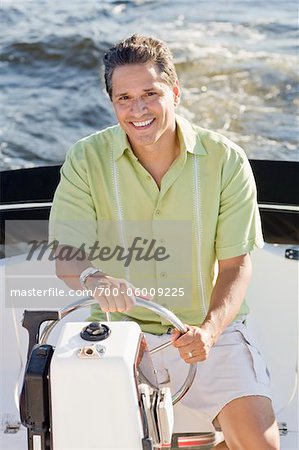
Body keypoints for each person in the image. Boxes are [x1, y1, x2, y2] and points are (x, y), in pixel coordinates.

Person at [49, 34, 280, 449]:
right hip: (118, 333)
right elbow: (67, 256)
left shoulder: (226, 160)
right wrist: (96, 280)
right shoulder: (86, 159)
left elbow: (235, 266)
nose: (138, 110)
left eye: (150, 94)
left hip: (208, 333)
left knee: (261, 445)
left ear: (175, 92)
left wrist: (208, 331)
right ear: (113, 103)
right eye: (124, 98)